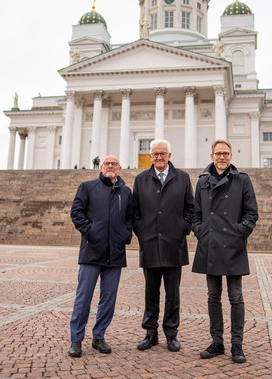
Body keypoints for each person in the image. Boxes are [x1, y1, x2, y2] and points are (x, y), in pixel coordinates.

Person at [192, 139, 258, 364]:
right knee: (213, 296)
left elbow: (251, 213)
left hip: (233, 246)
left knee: (236, 296)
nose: (222, 157)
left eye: (226, 154)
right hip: (210, 244)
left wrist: (239, 233)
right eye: (218, 153)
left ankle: (237, 344)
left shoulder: (242, 180)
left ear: (231, 156)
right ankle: (217, 342)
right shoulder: (202, 182)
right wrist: (201, 231)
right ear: (212, 156)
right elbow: (196, 213)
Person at [68, 155, 133, 358]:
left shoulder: (126, 192)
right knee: (83, 297)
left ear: (120, 168)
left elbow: (130, 217)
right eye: (107, 164)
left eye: (114, 164)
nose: (111, 167)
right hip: (92, 251)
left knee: (108, 299)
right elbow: (76, 212)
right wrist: (91, 232)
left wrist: (125, 235)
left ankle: (99, 336)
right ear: (101, 166)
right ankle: (76, 339)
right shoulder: (87, 187)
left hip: (115, 252)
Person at [133, 139, 194, 352]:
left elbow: (190, 208)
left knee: (173, 294)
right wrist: (141, 231)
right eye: (155, 154)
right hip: (149, 243)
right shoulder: (141, 179)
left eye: (163, 153)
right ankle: (150, 334)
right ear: (150, 156)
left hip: (174, 244)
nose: (159, 157)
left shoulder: (183, 178)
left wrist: (182, 229)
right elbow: (135, 212)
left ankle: (171, 334)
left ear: (169, 155)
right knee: (151, 293)